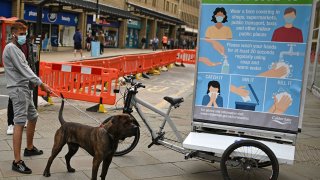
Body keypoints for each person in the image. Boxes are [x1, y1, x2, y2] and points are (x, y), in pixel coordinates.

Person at [3, 22, 51, 174]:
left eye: (25, 33)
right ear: (14, 34)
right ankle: (17, 161)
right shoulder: (11, 48)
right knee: (19, 122)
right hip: (18, 90)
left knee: (33, 115)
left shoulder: (17, 49)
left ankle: (29, 148)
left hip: (24, 88)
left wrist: (36, 82)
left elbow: (27, 67)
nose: (24, 36)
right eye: (22, 34)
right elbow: (24, 69)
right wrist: (41, 84)